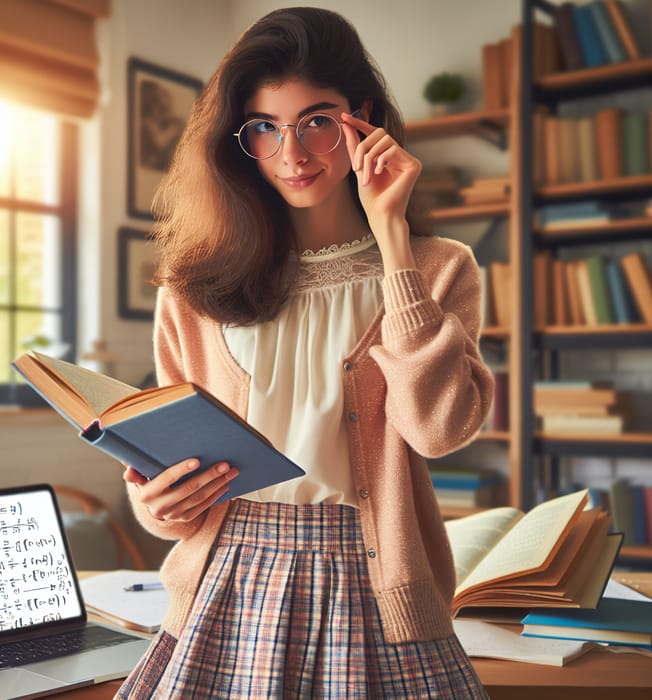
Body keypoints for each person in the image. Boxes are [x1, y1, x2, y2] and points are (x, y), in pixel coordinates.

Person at [118, 7, 494, 699]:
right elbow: (168, 476)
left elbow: (440, 431)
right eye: (264, 127)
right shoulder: (193, 288)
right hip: (223, 582)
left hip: (375, 585)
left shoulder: (440, 268)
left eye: (316, 121)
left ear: (363, 118)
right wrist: (160, 505)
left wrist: (393, 241)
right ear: (240, 140)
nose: (292, 153)